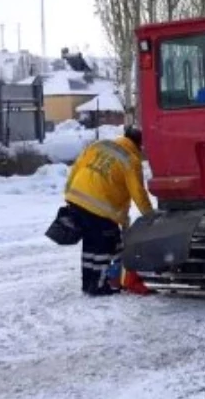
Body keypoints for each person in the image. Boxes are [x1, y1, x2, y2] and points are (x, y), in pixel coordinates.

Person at [62, 125, 153, 295]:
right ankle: (100, 286)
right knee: (106, 247)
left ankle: (88, 284)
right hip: (100, 209)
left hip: (77, 200)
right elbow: (138, 193)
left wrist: (68, 194)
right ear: (139, 144)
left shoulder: (99, 145)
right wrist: (150, 216)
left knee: (90, 246)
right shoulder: (130, 160)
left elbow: (76, 167)